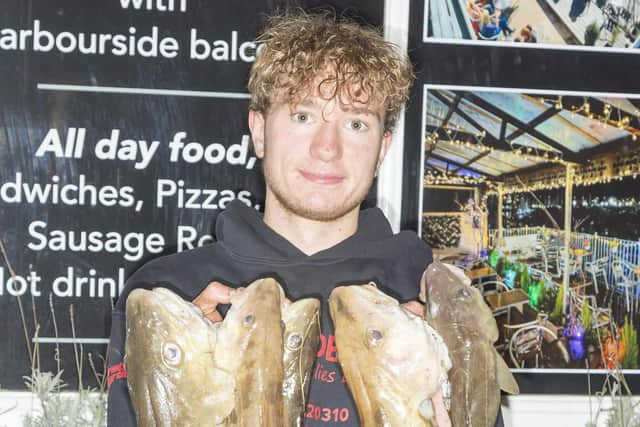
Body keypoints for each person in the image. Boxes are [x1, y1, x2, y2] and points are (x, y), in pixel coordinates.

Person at [106, 10, 504, 427]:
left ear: (382, 148)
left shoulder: (431, 295)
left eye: (355, 123)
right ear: (259, 131)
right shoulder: (168, 294)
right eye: (303, 116)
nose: (327, 147)